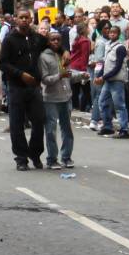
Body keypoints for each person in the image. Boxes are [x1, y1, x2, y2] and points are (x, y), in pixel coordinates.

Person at [0, 9, 50, 171]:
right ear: (16, 19)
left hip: (34, 87)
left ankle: (35, 153)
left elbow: (52, 44)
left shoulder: (36, 38)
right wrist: (20, 74)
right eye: (21, 18)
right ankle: (21, 158)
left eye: (26, 18)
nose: (24, 20)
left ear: (31, 19)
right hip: (16, 87)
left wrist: (64, 52)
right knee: (17, 123)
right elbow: (3, 64)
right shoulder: (9, 40)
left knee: (39, 120)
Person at [39, 32, 88, 170]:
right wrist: (60, 75)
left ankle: (66, 157)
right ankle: (52, 159)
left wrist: (81, 76)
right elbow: (45, 79)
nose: (55, 42)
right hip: (50, 98)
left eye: (58, 40)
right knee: (51, 130)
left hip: (66, 97)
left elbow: (69, 76)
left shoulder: (63, 55)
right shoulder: (43, 57)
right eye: (52, 39)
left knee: (67, 129)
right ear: (48, 42)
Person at [95, 26, 129, 139]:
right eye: (110, 32)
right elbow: (105, 64)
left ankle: (124, 129)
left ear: (118, 34)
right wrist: (99, 75)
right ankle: (108, 126)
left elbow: (117, 67)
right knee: (102, 102)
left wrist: (103, 77)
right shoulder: (108, 46)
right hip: (108, 80)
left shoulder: (120, 48)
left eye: (114, 33)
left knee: (119, 105)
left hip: (116, 80)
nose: (112, 34)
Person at [88, 20, 111, 131]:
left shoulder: (108, 41)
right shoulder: (101, 42)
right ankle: (94, 120)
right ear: (100, 30)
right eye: (105, 28)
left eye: (109, 28)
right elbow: (99, 59)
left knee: (104, 97)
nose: (108, 30)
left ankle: (102, 119)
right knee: (99, 96)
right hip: (100, 71)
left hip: (107, 71)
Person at [70, 22, 91, 111]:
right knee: (86, 90)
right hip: (80, 67)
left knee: (75, 89)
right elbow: (84, 55)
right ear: (85, 30)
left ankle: (75, 107)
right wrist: (84, 70)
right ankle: (85, 107)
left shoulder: (76, 39)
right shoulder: (85, 41)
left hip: (73, 65)